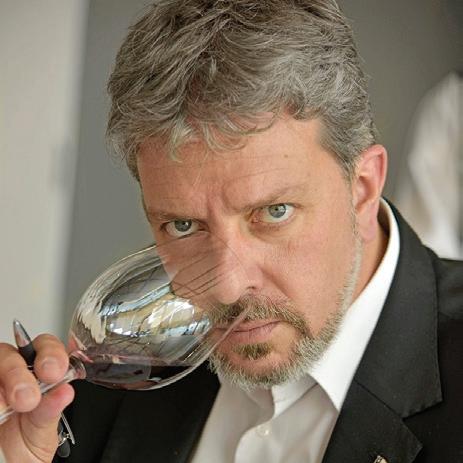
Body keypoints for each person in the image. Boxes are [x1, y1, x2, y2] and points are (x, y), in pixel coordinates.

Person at [1, 1, 462, 462]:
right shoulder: (111, 385)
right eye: (183, 225)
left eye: (274, 212)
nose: (226, 287)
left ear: (361, 190)